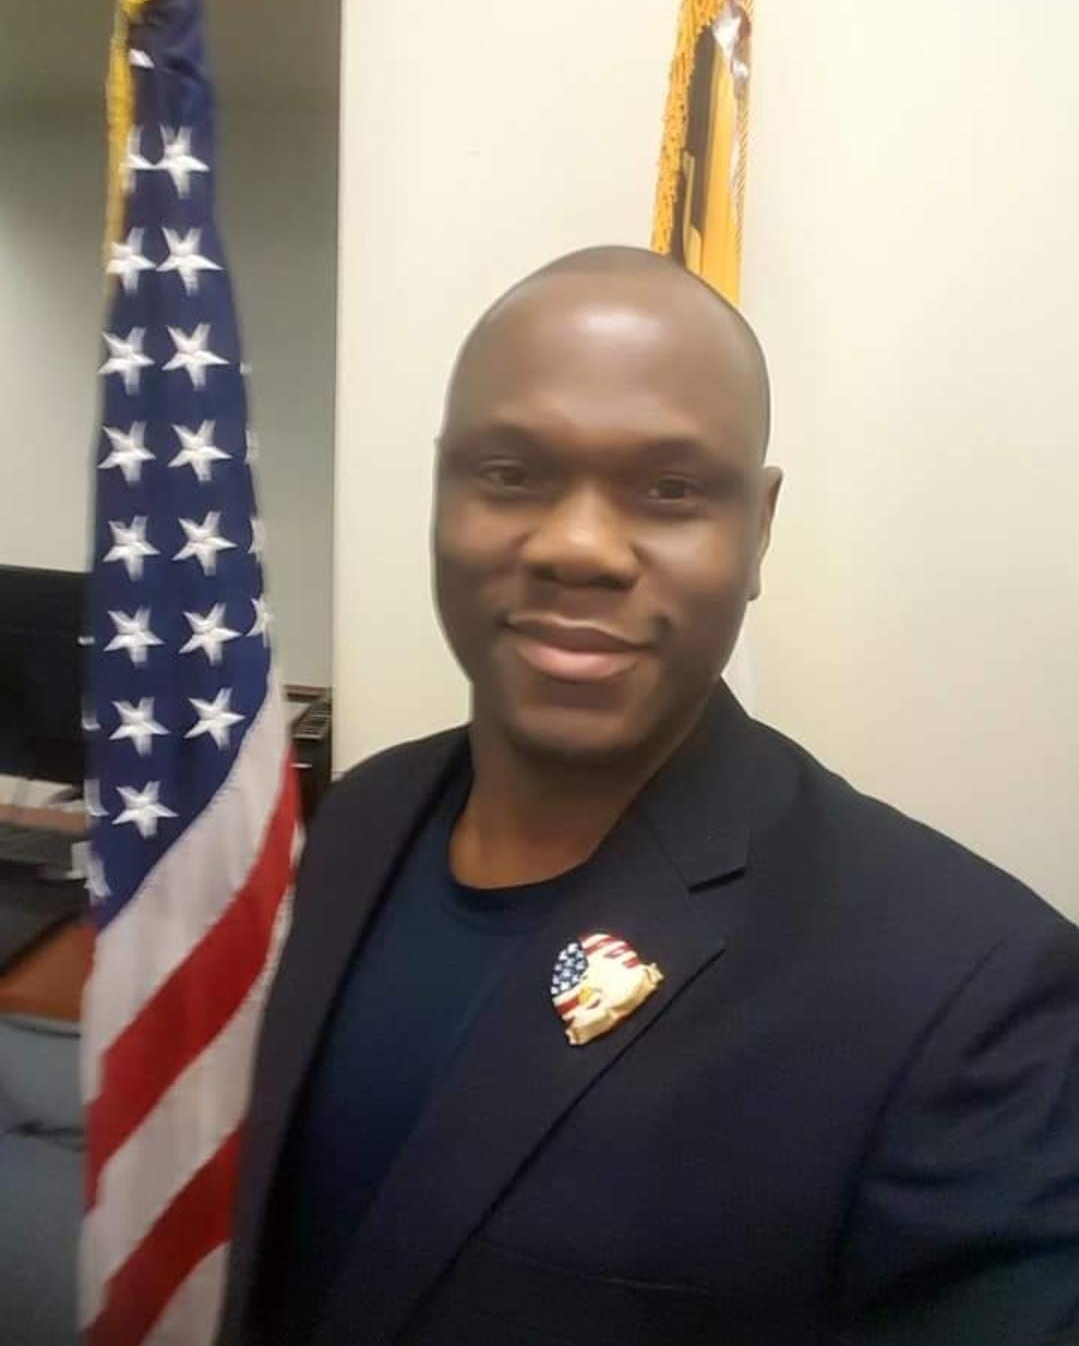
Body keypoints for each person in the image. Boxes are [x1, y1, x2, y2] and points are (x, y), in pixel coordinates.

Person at [219, 247, 1079, 1345]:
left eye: (670, 489)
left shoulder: (971, 995)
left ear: (756, 528)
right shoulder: (358, 815)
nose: (578, 547)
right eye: (509, 472)